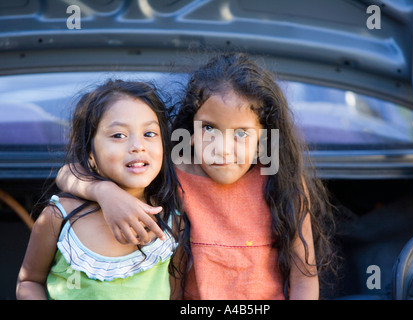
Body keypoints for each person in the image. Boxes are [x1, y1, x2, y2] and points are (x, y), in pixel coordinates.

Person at [55, 53, 337, 299]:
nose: (222, 148)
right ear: (190, 132)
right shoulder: (175, 174)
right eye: (209, 129)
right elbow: (67, 174)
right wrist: (105, 193)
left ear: (264, 138)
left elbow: (304, 277)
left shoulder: (280, 181)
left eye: (241, 133)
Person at [16, 80, 181, 300]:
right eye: (118, 135)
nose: (138, 145)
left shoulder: (172, 219)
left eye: (149, 134)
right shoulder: (59, 217)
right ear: (90, 155)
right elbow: (29, 281)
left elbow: (176, 293)